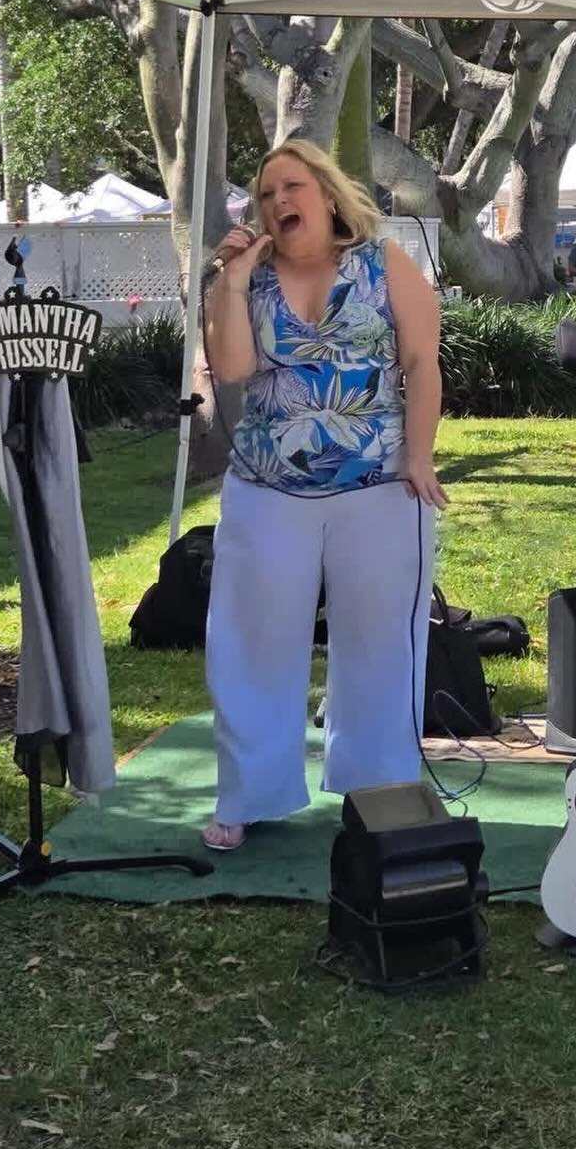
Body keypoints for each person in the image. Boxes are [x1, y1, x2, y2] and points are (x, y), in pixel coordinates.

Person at [198, 139, 447, 852]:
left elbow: (422, 363)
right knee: (250, 644)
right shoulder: (253, 277)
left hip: (377, 485)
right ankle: (249, 794)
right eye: (267, 191)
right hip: (268, 486)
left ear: (328, 195)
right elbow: (235, 366)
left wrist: (420, 457)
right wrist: (232, 282)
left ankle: (379, 792)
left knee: (377, 644)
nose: (280, 201)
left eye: (293, 186)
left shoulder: (383, 264)